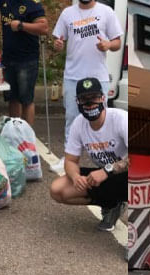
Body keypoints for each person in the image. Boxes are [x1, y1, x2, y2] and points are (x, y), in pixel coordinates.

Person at [52, 0, 123, 171]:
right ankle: (68, 159)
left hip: (98, 76)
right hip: (73, 76)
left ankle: (109, 160)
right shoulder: (67, 13)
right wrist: (57, 44)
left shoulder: (106, 11)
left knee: (102, 119)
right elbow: (59, 39)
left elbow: (117, 41)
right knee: (72, 119)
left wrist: (108, 44)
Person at [49, 77, 127, 231]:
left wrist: (107, 170)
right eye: (84, 99)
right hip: (103, 176)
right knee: (57, 190)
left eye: (94, 98)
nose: (90, 104)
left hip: (129, 175)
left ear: (103, 98)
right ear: (77, 102)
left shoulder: (120, 119)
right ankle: (111, 205)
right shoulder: (79, 124)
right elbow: (70, 161)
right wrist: (76, 178)